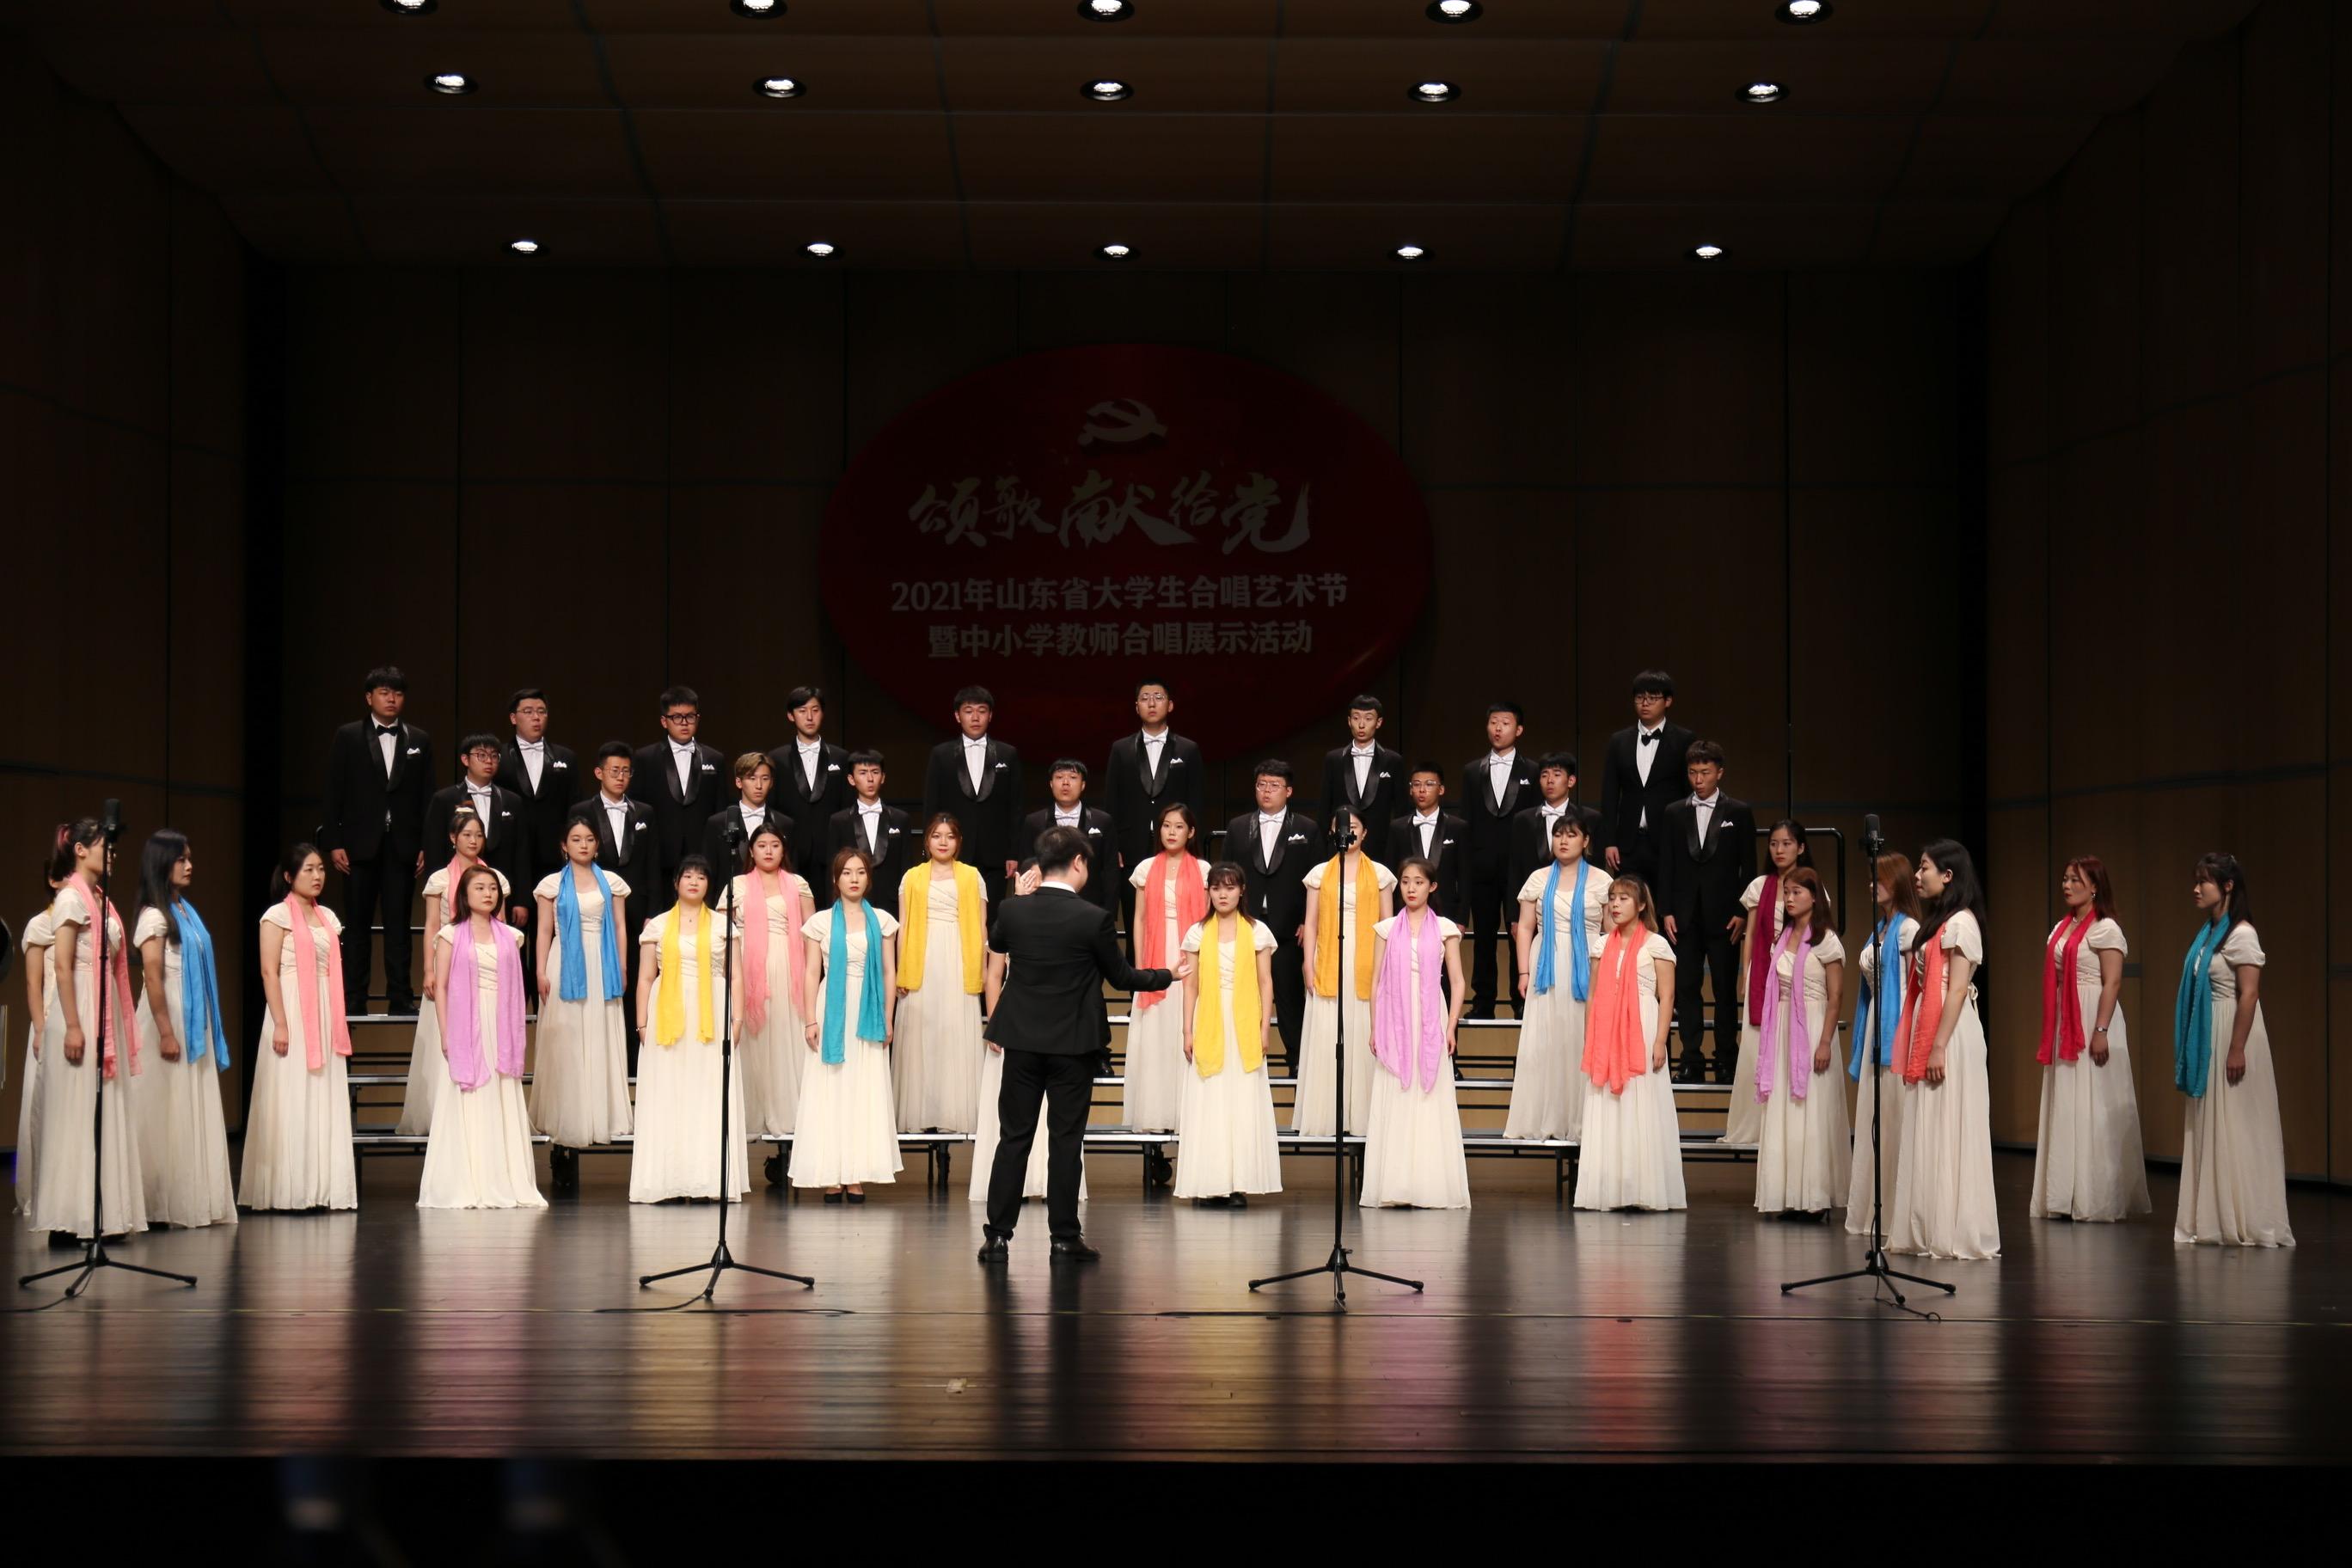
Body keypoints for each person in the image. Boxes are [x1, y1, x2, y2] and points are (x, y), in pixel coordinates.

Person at [977, 827, 1179, 1265]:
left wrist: (1020, 898)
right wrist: (1168, 974)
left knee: (1014, 1138)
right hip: (1073, 1044)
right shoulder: (1093, 918)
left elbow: (998, 943)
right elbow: (1122, 978)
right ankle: (1064, 1238)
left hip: (1022, 1041)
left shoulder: (1013, 910)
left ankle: (997, 1237)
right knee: (1065, 1140)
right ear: (1078, 863)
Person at [32, 818, 148, 1243]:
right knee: (75, 1112)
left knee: (103, 1109)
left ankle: (103, 1214)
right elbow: (62, 966)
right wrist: (73, 1026)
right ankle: (69, 1218)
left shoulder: (102, 900)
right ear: (80, 850)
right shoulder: (70, 898)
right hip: (79, 1005)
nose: (111, 854)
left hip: (103, 1006)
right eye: (103, 846)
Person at [2171, 853, 2293, 1247]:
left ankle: (2244, 1216)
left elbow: (2250, 993)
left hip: (2232, 1030)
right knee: (2212, 1123)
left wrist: (2237, 1048)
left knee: (2237, 1124)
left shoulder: (2241, 934)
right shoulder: (2208, 934)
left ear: (2227, 886)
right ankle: (2211, 1216)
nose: (2195, 889)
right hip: (2211, 1029)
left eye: (2203, 882)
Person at [1885, 840, 1999, 1261]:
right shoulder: (1938, 923)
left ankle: (1952, 1228)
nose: (1918, 876)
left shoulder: (1962, 924)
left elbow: (1956, 990)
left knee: (1949, 1122)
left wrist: (1937, 1047)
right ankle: (1928, 1223)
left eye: (1925, 867)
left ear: (1948, 875)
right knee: (1929, 1123)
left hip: (1949, 1034)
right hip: (1930, 1028)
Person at [2030, 855, 2150, 1224]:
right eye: (2065, 879)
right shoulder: (2061, 928)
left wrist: (2101, 1030)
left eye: (2076, 880)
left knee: (2094, 1100)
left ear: (2095, 887)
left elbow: (2112, 982)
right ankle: (2063, 1193)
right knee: (2067, 1099)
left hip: (2093, 1015)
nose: (2067, 886)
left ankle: (2095, 1195)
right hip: (2066, 1018)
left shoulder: (2105, 928)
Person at [418, 866, 545, 1210]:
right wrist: (445, 1032)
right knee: (471, 1094)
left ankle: (502, 1179)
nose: (488, 893)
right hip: (465, 1023)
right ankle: (469, 1180)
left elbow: (516, 988)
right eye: (479, 888)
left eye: (492, 888)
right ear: (464, 894)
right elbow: (442, 988)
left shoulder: (511, 937)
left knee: (500, 1093)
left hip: (500, 1024)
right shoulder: (449, 935)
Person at [242, 844, 358, 1212]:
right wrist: (280, 1022)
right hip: (291, 1006)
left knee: (321, 1092)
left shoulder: (328, 918)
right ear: (290, 876)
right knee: (291, 1092)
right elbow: (268, 971)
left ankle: (320, 1187)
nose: (318, 876)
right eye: (309, 869)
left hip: (323, 1010)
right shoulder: (277, 916)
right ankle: (289, 1189)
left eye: (321, 869)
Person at [130, 828, 236, 1229]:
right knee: (165, 1109)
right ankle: (158, 1203)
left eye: (189, 858)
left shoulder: (185, 911)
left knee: (186, 1107)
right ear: (162, 864)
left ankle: (189, 1197)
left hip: (192, 1015)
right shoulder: (154, 916)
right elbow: (152, 977)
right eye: (181, 859)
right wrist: (165, 1030)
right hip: (169, 1016)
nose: (189, 866)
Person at [630, 856, 749, 1204]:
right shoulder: (658, 926)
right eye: (687, 876)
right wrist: (641, 1023)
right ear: (676, 883)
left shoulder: (724, 926)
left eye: (701, 877)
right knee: (669, 1093)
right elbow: (645, 977)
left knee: (706, 1094)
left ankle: (704, 1181)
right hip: (668, 1016)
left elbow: (736, 977)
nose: (694, 882)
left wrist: (737, 1020)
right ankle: (667, 1181)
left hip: (712, 1013)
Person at [321, 665, 433, 1016]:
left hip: (402, 845)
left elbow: (427, 796)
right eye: (384, 693)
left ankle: (401, 996)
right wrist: (334, 842)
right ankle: (355, 996)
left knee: (399, 924)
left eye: (397, 693)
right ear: (369, 698)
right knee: (357, 924)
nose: (392, 699)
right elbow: (333, 792)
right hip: (358, 845)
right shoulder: (348, 735)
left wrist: (425, 844)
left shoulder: (419, 739)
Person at [1361, 859, 1472, 1210]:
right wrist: (1375, 1026)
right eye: (1406, 881)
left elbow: (1457, 982)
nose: (1411, 888)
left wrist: (1451, 1026)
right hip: (1394, 1016)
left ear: (1432, 887)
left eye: (1419, 882)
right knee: (1397, 1093)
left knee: (1428, 1095)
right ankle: (1395, 1184)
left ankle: (1429, 1184)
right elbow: (1375, 981)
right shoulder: (1385, 928)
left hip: (1429, 1015)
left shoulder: (1445, 929)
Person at [395, 808, 511, 1139]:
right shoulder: (440, 879)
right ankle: (443, 1110)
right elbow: (432, 924)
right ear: (452, 838)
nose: (473, 841)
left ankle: (484, 1108)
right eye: (467, 835)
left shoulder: (494, 879)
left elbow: (501, 925)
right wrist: (428, 969)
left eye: (479, 835)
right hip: (450, 962)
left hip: (483, 963)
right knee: (443, 1038)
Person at [1571, 877, 1686, 1213]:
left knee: (1641, 1100)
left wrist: (1661, 1040)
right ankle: (1611, 1189)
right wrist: (1590, 1036)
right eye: (1612, 898)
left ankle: (1642, 1188)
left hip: (1642, 1027)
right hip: (1607, 1030)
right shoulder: (1601, 945)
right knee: (1608, 1103)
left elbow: (1667, 997)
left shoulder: (1656, 945)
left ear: (1641, 905)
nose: (1615, 904)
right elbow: (1593, 995)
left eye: (1624, 898)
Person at [794, 848, 902, 1202]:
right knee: (832, 1086)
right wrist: (810, 1018)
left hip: (868, 1009)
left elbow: (889, 972)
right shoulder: (821, 922)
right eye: (846, 873)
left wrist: (888, 1017)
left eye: (860, 872)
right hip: (832, 1008)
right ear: (835, 878)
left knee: (863, 1088)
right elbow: (811, 972)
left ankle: (855, 1173)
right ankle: (832, 1171)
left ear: (869, 878)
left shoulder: (882, 921)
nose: (854, 879)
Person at [971, 861, 1081, 1204]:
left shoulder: (1068, 918)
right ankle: (1009, 1189)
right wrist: (995, 1023)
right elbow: (993, 976)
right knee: (1012, 1116)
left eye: (1041, 878)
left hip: (1057, 1024)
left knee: (1055, 1114)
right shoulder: (1011, 920)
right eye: (1029, 878)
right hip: (1015, 1021)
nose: (1036, 884)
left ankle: (1049, 1184)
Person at [533, 816, 633, 1190]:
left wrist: (622, 965)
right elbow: (544, 930)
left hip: (602, 963)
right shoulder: (551, 885)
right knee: (568, 1039)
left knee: (599, 1035)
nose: (584, 845)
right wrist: (540, 970)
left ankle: (599, 1115)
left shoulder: (612, 883)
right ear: (564, 845)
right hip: (566, 962)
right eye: (576, 839)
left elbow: (620, 927)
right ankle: (567, 1123)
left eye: (589, 839)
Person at [1175, 862, 1282, 1206]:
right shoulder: (1197, 933)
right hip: (1210, 1019)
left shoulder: (1257, 931)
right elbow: (1190, 986)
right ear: (1209, 891)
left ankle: (1237, 1183)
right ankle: (1209, 1182)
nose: (1223, 894)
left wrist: (1264, 1027)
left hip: (1244, 1023)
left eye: (1230, 887)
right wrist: (1187, 1029)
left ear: (1242, 891)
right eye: (1217, 888)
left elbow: (1265, 983)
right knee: (1211, 1099)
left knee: (1240, 1101)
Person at [1654, 740, 1755, 1084]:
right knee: (1686, 987)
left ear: (1719, 773)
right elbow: (1666, 865)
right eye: (1693, 772)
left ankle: (1726, 1058)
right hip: (1683, 915)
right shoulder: (1674, 812)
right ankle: (1691, 1059)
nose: (1698, 779)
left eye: (1705, 772)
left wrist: (1742, 910)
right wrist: (1665, 910)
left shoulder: (1739, 812)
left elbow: (1748, 866)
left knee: (1725, 988)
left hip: (1725, 915)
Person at [1294, 808, 1397, 1137]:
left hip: (1368, 958)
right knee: (1329, 1034)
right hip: (1329, 956)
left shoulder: (1380, 873)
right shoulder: (1320, 873)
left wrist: (1387, 968)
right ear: (1332, 832)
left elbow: (1388, 925)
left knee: (1363, 1028)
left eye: (1354, 827)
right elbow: (1311, 923)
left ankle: (1364, 1116)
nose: (1347, 832)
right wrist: (1308, 963)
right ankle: (1329, 1116)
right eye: (1341, 827)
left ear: (1364, 833)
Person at [1751, 867, 1847, 1218]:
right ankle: (1787, 1194)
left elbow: (1836, 997)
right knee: (1784, 1108)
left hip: (1813, 1025)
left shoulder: (1826, 940)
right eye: (1787, 893)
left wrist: (1825, 1042)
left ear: (1814, 897)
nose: (1789, 899)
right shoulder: (1783, 937)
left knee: (1812, 1108)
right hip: (1782, 1026)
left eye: (1797, 893)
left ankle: (1814, 1196)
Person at [1221, 760, 1324, 1075]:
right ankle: (1242, 1059)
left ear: (1288, 791)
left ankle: (1297, 1059)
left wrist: (1308, 920)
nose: (1267, 791)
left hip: (1290, 927)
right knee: (1242, 994)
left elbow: (1317, 879)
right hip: (1246, 923)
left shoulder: (1307, 828)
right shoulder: (1238, 826)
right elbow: (1225, 875)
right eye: (1261, 785)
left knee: (1290, 996)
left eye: (1274, 785)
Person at [1508, 811, 1605, 1142]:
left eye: (1571, 835)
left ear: (1586, 841)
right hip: (1546, 964)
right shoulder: (1538, 878)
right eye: (1558, 834)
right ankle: (1545, 1118)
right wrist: (1523, 971)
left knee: (1579, 1035)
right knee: (1547, 1039)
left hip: (1586, 964)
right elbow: (1524, 928)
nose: (1563, 841)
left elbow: (1610, 933)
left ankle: (1582, 1119)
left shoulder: (1601, 881)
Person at [892, 815, 989, 1134]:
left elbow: (981, 926)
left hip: (959, 956)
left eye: (949, 836)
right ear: (927, 841)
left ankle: (953, 1113)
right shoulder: (912, 877)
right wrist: (902, 970)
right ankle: (921, 1113)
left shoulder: (972, 876)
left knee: (953, 1031)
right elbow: (903, 925)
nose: (943, 842)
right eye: (936, 835)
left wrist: (981, 969)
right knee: (923, 1031)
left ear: (958, 841)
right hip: (922, 956)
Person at [1721, 819, 1816, 1142]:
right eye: (1774, 843)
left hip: (1796, 974)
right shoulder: (1760, 885)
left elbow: (1818, 930)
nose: (1779, 850)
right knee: (1755, 1049)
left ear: (1800, 848)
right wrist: (1746, 973)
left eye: (1787, 843)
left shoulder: (1810, 884)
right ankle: (1754, 1125)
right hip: (1763, 973)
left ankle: (1790, 1124)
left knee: (1791, 1045)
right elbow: (1750, 934)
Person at [1845, 853, 1920, 1236]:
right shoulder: (1881, 927)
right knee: (1877, 1118)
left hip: (1896, 1025)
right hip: (1877, 1019)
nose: (1872, 885)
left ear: (1899, 882)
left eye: (1880, 879)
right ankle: (1877, 1209)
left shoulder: (1908, 930)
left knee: (1895, 1114)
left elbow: (1913, 988)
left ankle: (1898, 1211)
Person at [1124, 802, 1209, 1140]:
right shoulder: (1146, 868)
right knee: (1157, 1033)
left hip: (1191, 953)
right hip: (1156, 957)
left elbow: (1208, 921)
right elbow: (1140, 919)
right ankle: (1156, 1112)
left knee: (1185, 1027)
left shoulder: (1203, 869)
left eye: (1179, 827)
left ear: (1191, 832)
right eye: (1166, 826)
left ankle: (1187, 1113)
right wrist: (1140, 967)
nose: (1171, 832)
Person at [726, 823, 814, 1142]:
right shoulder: (736, 885)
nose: (768, 851)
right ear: (751, 850)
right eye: (762, 845)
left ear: (783, 850)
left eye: (775, 845)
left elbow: (812, 933)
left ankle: (789, 1114)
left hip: (789, 966)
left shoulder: (798, 884)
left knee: (784, 1035)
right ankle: (751, 1114)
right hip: (748, 966)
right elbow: (723, 934)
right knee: (753, 1038)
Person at [1105, 678, 1204, 947]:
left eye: (1158, 697)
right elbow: (1112, 800)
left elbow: (1195, 802)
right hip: (1131, 845)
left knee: (1177, 917)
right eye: (1145, 697)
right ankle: (1137, 971)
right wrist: (1114, 845)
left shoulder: (1188, 749)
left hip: (1176, 844)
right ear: (1136, 706)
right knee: (1135, 917)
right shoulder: (1121, 749)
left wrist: (1192, 845)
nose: (1151, 703)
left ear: (1170, 705)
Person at [497, 689, 580, 995]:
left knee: (553, 933)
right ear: (513, 718)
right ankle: (516, 1002)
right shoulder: (499, 758)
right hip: (509, 861)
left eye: (542, 711)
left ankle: (551, 1000)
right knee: (513, 934)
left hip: (553, 860)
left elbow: (574, 809)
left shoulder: (566, 758)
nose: (536, 717)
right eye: (529, 711)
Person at [1461, 701, 1533, 1019]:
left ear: (1519, 729)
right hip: (1482, 867)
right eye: (1493, 722)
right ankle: (1483, 1001)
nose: (1498, 728)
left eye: (1505, 722)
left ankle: (1522, 1000)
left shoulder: (1532, 771)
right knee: (1484, 937)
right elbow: (1466, 823)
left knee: (1522, 933)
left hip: (1521, 870)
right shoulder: (1471, 771)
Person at [921, 685, 1023, 907]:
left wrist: (1013, 853)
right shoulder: (941, 754)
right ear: (958, 716)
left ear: (990, 715)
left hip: (996, 853)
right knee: (954, 912)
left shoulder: (1007, 754)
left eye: (981, 711)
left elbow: (1015, 807)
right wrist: (930, 848)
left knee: (991, 914)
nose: (975, 717)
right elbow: (932, 805)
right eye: (968, 711)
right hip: (952, 850)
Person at [631, 685, 726, 921]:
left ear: (698, 718)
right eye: (677, 717)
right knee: (662, 918)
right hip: (660, 853)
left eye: (690, 716)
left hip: (702, 851)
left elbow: (720, 809)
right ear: (664, 721)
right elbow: (638, 808)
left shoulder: (714, 758)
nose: (684, 723)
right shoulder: (645, 758)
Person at [15, 827, 71, 1221]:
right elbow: (33, 984)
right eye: (65, 876)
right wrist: (38, 1028)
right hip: (49, 1022)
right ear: (53, 881)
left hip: (76, 1019)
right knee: (45, 1106)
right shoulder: (40, 925)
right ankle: (42, 1191)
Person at [1596, 670, 1694, 891]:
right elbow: (1610, 794)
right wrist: (1609, 841)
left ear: (1668, 701)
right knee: (1627, 899)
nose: (1645, 703)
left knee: (1666, 901)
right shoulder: (1619, 740)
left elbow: (1688, 792)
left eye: (1653, 697)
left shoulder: (1684, 739)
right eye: (1640, 697)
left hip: (1668, 839)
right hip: (1628, 843)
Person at [426, 733, 531, 931]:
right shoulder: (444, 799)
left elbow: (521, 852)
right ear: (465, 759)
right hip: (456, 889)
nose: (489, 761)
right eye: (481, 755)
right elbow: (434, 850)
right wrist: (438, 892)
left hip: (500, 890)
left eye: (494, 756)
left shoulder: (512, 801)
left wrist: (521, 900)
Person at [766, 685, 849, 890]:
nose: (809, 717)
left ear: (823, 713)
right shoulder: (777, 758)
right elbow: (772, 808)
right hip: (790, 850)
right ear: (791, 716)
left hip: (830, 851)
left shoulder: (840, 757)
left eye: (815, 710)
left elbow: (846, 806)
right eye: (802, 711)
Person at [1020, 759, 1117, 916]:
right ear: (1051, 784)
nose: (1065, 783)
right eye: (1059, 777)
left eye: (1073, 777)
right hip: (1045, 907)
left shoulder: (1102, 821)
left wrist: (1109, 912)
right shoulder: (1033, 822)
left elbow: (1110, 871)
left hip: (1091, 906)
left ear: (1083, 785)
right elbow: (1027, 867)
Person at [1323, 695, 1406, 869]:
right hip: (1341, 845)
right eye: (1356, 718)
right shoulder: (1334, 759)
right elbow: (1325, 807)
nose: (1361, 724)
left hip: (1380, 847)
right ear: (1349, 721)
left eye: (1368, 718)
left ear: (1379, 722)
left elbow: (1401, 810)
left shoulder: (1392, 761)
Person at [1386, 763, 1466, 919]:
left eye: (1429, 784)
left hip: (1447, 911)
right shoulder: (1397, 828)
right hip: (1405, 910)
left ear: (1441, 789)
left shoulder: (1458, 827)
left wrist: (1462, 918)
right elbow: (1391, 875)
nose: (1422, 790)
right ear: (1411, 790)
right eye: (1416, 784)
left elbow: (1464, 876)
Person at [1504, 751, 1582, 899]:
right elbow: (1515, 870)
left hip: (1575, 898)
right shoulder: (1523, 820)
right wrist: (1514, 911)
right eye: (1544, 775)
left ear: (1571, 781)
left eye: (1557, 775)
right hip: (1533, 899)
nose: (1550, 780)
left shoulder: (1588, 818)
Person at [701, 752, 777, 881]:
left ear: (771, 783)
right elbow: (709, 872)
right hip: (729, 892)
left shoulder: (783, 824)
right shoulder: (717, 823)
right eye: (752, 778)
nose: (759, 785)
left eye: (765, 779)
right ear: (738, 782)